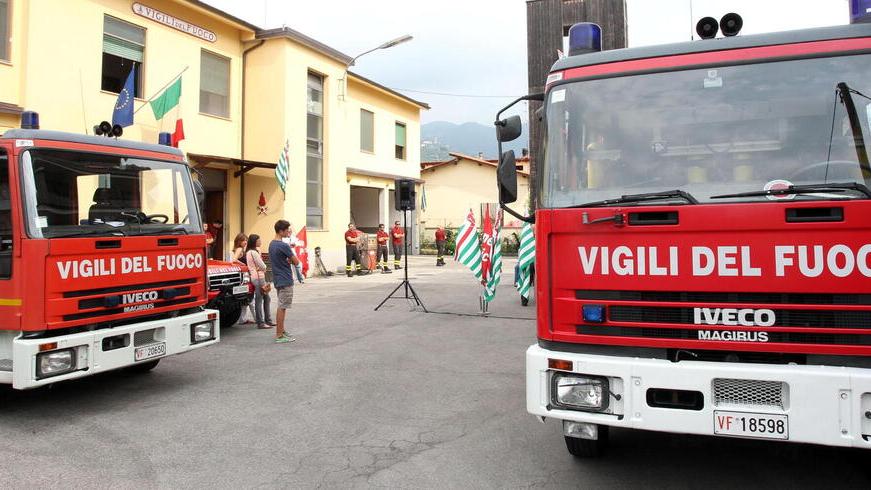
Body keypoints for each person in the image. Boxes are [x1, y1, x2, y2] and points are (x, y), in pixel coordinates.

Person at [268, 220, 300, 343]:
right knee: (282, 307)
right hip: (285, 278)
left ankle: (281, 330)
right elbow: (296, 261)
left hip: (277, 278)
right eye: (287, 230)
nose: (288, 232)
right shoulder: (284, 245)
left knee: (282, 305)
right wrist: (290, 260)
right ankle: (279, 335)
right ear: (281, 231)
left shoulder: (272, 244)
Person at [245, 234, 274, 329]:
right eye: (259, 240)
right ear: (254, 242)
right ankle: (261, 322)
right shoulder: (253, 252)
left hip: (257, 277)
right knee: (260, 299)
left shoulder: (250, 252)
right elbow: (263, 266)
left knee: (266, 298)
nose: (260, 242)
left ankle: (267, 320)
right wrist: (263, 268)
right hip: (258, 278)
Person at [232, 233, 256, 325]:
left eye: (246, 240)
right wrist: (244, 265)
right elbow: (234, 260)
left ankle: (242, 319)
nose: (245, 242)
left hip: (242, 275)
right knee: (250, 297)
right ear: (238, 241)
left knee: (245, 298)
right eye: (243, 240)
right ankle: (257, 318)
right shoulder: (240, 249)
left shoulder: (240, 249)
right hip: (244, 275)